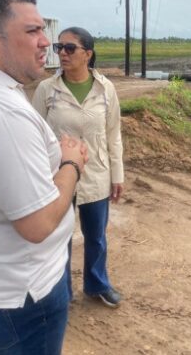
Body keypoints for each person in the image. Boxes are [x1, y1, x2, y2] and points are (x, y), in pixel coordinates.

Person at [0, 0, 88, 354]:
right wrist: (71, 162)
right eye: (32, 31)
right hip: (23, 295)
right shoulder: (0, 113)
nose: (46, 42)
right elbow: (37, 224)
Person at [32, 26, 124, 308]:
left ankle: (97, 285)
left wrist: (117, 175)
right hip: (58, 177)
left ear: (88, 54)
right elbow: (34, 136)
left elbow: (113, 135)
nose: (62, 53)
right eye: (59, 47)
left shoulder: (105, 89)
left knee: (96, 237)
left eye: (70, 48)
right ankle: (61, 291)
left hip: (96, 175)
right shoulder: (47, 89)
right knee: (59, 237)